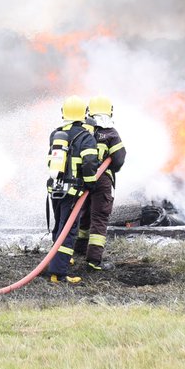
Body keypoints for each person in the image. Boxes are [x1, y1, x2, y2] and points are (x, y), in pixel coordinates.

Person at [45, 95, 100, 284]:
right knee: (68, 232)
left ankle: (57, 260)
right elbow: (90, 163)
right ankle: (58, 274)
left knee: (59, 226)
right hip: (73, 192)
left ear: (64, 113)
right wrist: (91, 184)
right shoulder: (86, 137)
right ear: (84, 115)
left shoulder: (56, 134)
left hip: (55, 190)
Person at [73, 95, 127, 270]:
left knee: (83, 214)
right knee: (99, 218)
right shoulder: (111, 133)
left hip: (82, 180)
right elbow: (119, 159)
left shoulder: (82, 132)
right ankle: (93, 261)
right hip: (102, 181)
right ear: (109, 112)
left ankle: (78, 250)